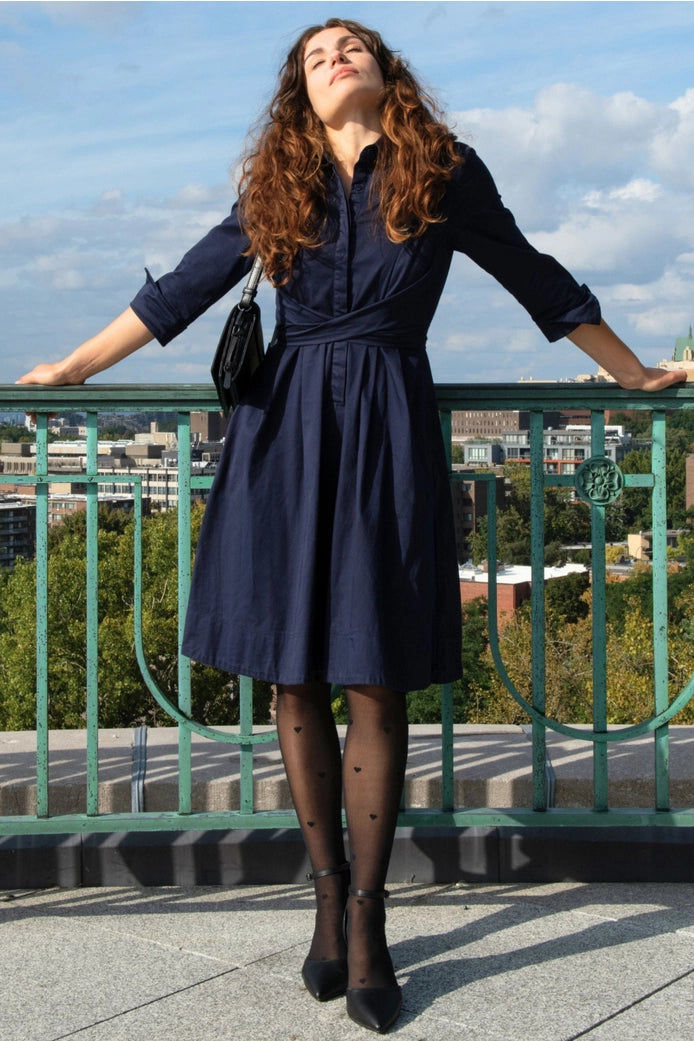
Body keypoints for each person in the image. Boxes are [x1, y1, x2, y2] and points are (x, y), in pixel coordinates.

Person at [18, 18, 685, 1034]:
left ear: (385, 73)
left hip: (382, 422)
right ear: (298, 88)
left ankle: (367, 923)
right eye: (314, 54)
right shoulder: (278, 181)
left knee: (372, 673)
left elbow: (534, 276)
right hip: (282, 434)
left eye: (351, 47)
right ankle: (325, 903)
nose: (334, 58)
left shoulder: (441, 169)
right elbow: (181, 293)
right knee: (296, 676)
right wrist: (71, 369)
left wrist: (630, 371)